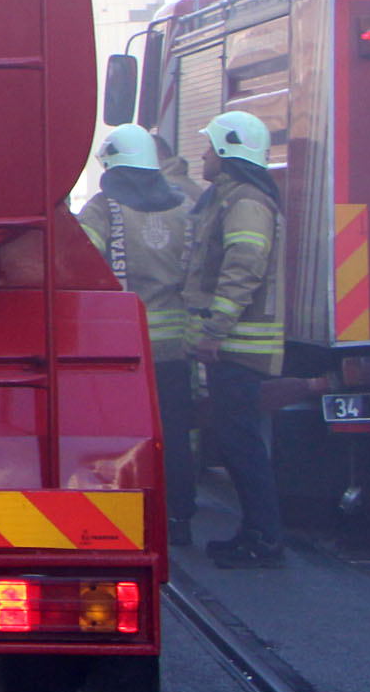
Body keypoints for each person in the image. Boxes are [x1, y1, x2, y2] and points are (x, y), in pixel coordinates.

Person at [78, 123, 199, 545]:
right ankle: (180, 518)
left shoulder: (103, 209)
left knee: (123, 435)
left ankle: (128, 515)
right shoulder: (186, 208)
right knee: (175, 435)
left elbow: (79, 265)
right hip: (177, 346)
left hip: (124, 347)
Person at [188, 109, 288, 567]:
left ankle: (264, 540)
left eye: (210, 146)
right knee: (236, 443)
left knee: (242, 445)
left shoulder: (245, 202)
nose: (204, 154)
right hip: (233, 345)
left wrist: (214, 330)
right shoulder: (229, 198)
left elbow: (243, 270)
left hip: (238, 346)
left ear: (228, 151)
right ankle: (254, 533)